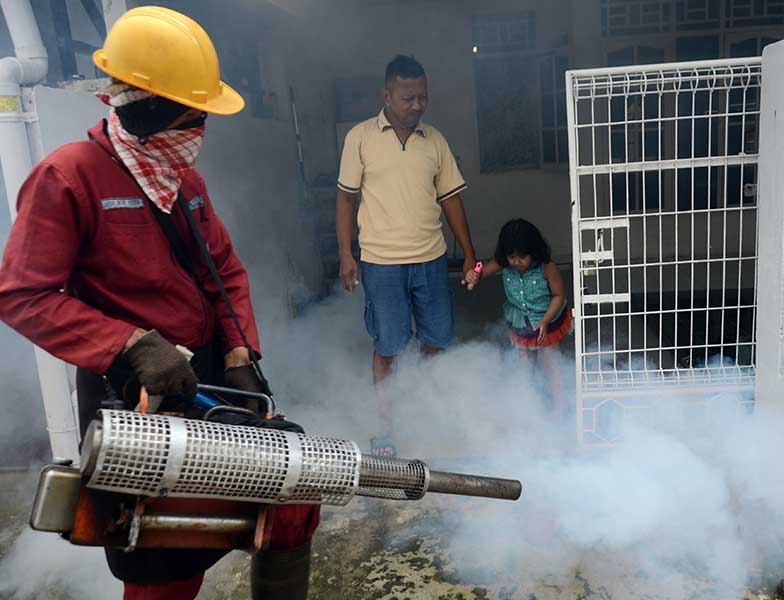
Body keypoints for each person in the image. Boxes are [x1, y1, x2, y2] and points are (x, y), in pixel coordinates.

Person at [0, 7, 317, 600]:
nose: (201, 127)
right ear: (145, 109)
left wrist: (240, 351)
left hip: (207, 380)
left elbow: (222, 270)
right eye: (193, 113)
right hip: (136, 397)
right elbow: (23, 295)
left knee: (286, 503)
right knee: (161, 558)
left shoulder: (184, 181)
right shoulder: (68, 177)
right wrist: (130, 344)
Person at [336, 54, 477, 456]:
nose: (417, 105)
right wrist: (346, 254)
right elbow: (345, 199)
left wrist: (469, 254)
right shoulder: (360, 138)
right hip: (380, 263)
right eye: (408, 98)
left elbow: (451, 201)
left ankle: (428, 417)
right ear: (386, 95)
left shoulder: (435, 141)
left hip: (431, 259)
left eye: (422, 97)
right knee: (389, 346)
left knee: (436, 342)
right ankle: (387, 429)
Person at [465, 219, 572, 416]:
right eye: (511, 257)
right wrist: (473, 275)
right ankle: (529, 402)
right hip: (521, 320)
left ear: (534, 251)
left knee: (551, 362)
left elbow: (558, 296)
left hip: (546, 319)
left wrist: (545, 321)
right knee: (524, 363)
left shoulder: (547, 268)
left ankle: (559, 405)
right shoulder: (503, 263)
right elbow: (481, 274)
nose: (516, 262)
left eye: (522, 257)